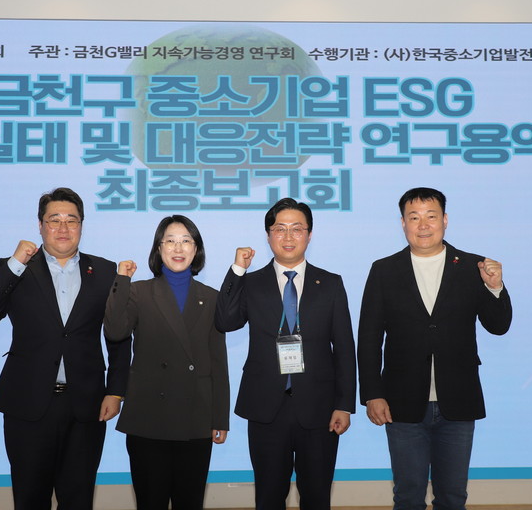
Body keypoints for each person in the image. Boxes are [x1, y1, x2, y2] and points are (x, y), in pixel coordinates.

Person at [0, 187, 130, 510]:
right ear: (40, 225)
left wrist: (115, 391)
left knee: (78, 498)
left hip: (85, 404)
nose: (63, 228)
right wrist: (15, 263)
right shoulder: (16, 267)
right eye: (53, 220)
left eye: (71, 220)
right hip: (27, 403)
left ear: (82, 225)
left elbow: (118, 336)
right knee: (30, 497)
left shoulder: (104, 271)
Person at [357, 187, 513, 510]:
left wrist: (495, 287)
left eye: (431, 216)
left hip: (458, 399)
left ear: (445, 220)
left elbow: (498, 326)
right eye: (414, 217)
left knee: (453, 496)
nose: (423, 225)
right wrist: (372, 394)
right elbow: (369, 338)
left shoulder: (472, 266)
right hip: (401, 403)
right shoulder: (384, 270)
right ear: (403, 223)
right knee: (408, 495)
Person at [214, 197, 356, 510]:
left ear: (309, 235)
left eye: (297, 229)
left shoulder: (330, 283)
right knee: (268, 497)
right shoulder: (251, 282)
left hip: (319, 408)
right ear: (268, 236)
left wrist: (344, 405)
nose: (288, 236)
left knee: (317, 497)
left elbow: (345, 348)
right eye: (280, 229)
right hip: (266, 408)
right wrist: (237, 269)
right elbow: (224, 321)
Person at [104, 215, 230, 510]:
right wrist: (121, 280)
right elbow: (115, 331)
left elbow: (218, 361)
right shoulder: (138, 291)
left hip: (195, 418)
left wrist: (220, 418)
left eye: (186, 241)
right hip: (149, 418)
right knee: (151, 502)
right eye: (170, 241)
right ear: (158, 249)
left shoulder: (211, 298)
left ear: (196, 249)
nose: (178, 248)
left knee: (190, 502)